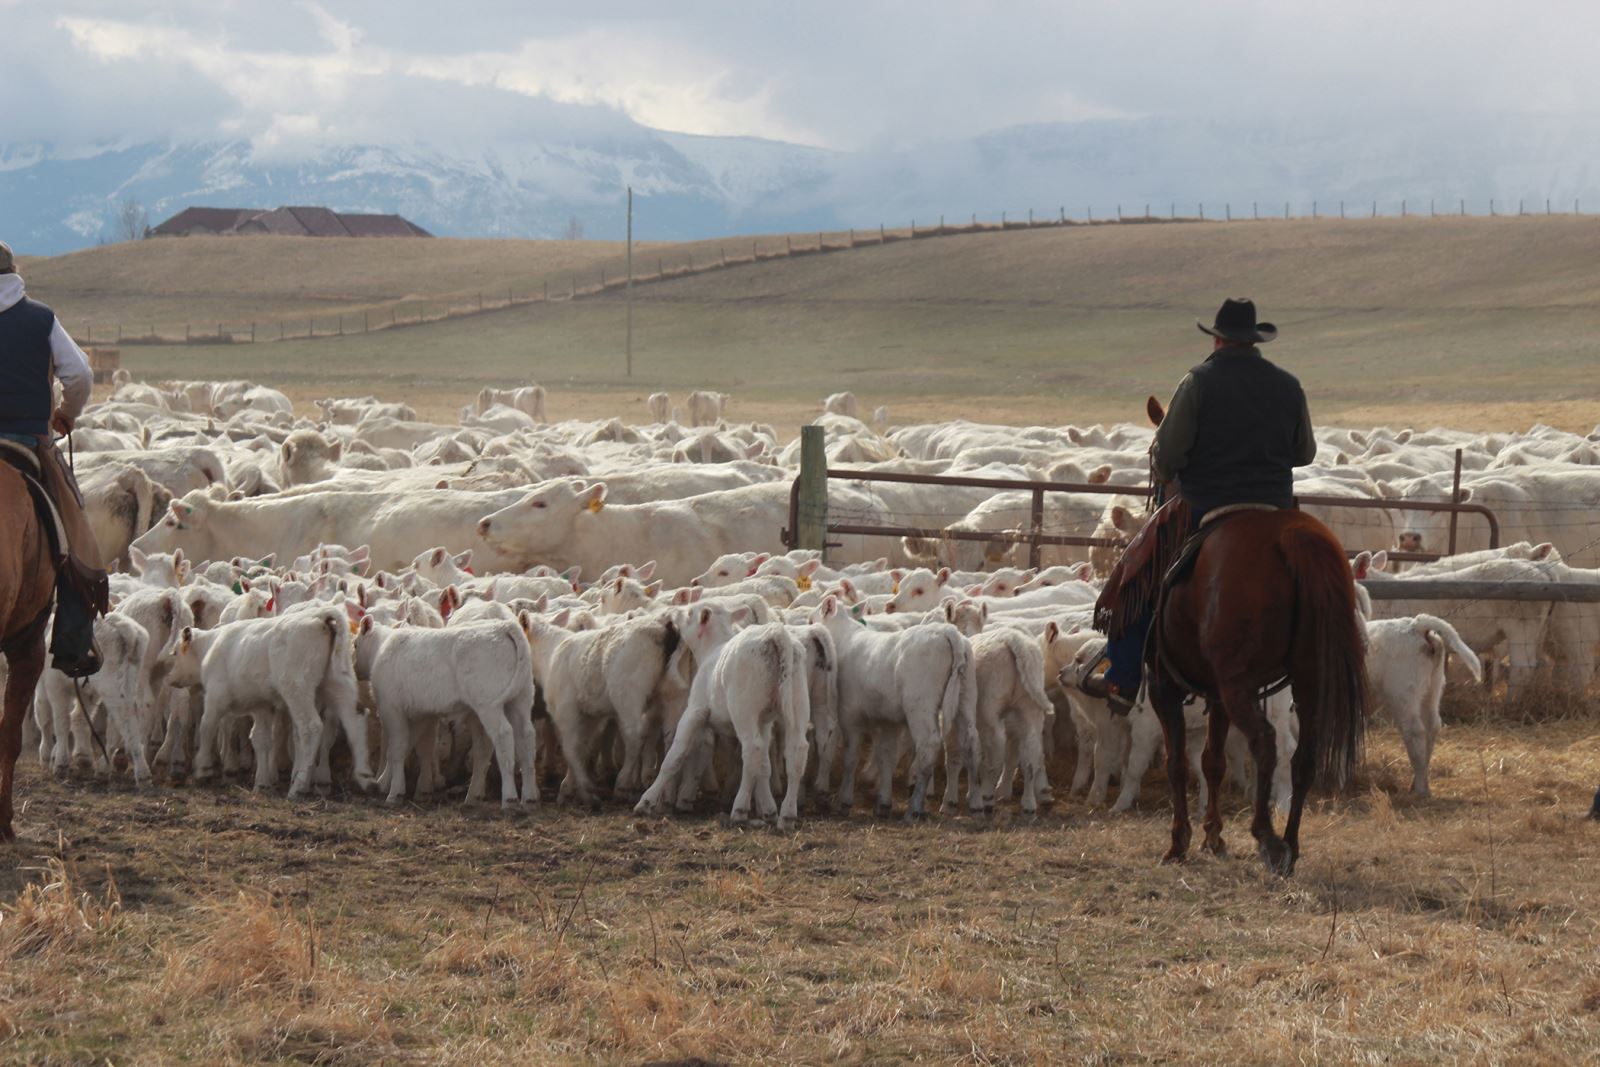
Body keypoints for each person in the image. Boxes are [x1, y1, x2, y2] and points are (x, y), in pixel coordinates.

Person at [1079, 298, 1316, 712]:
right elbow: (1305, 453)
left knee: (1135, 571)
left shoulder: (1198, 382)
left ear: (1218, 338)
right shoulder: (1288, 385)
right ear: (1255, 339)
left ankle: (1121, 678)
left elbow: (1168, 454)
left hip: (1204, 503)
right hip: (1276, 509)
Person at [0, 239, 108, 675]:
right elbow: (79, 373)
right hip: (29, 442)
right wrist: (65, 413)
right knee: (75, 533)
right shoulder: (40, 317)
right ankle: (74, 642)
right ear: (14, 273)